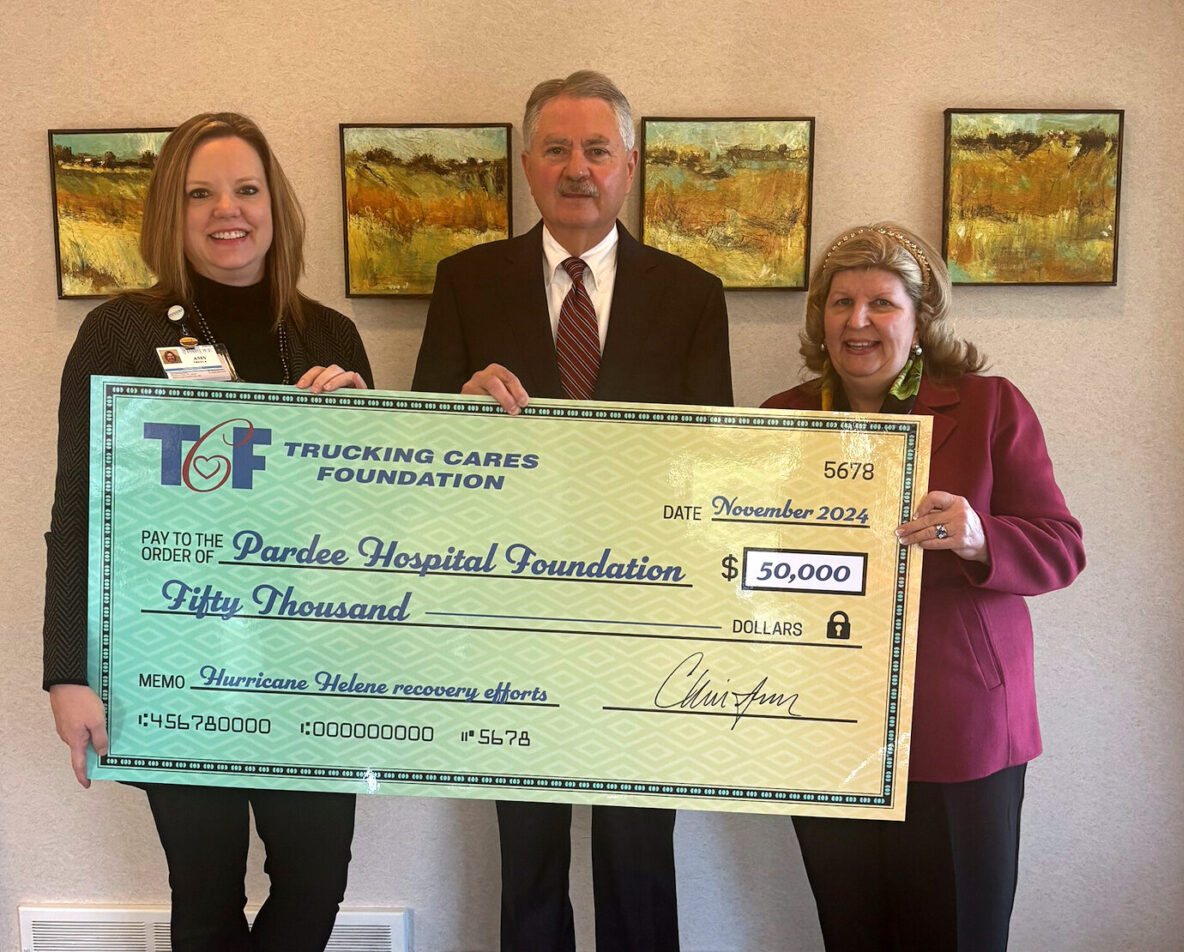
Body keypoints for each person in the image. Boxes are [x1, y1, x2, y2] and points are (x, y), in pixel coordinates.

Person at [412, 71, 732, 952]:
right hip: (515, 615)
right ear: (526, 165)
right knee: (530, 859)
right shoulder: (467, 282)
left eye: (598, 149)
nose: (578, 168)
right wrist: (459, 403)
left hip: (644, 621)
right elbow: (420, 458)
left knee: (639, 857)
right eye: (557, 149)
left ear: (631, 166)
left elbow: (709, 469)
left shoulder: (693, 293)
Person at [44, 112, 373, 952]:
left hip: (308, 667)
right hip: (176, 660)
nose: (227, 209)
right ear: (172, 212)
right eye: (201, 193)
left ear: (275, 205)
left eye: (246, 188)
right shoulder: (121, 331)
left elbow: (362, 520)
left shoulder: (331, 335)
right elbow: (80, 508)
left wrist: (360, 429)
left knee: (317, 881)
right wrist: (68, 673)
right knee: (203, 893)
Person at [762, 223, 1085, 952]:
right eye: (840, 302)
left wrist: (979, 536)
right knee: (852, 933)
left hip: (960, 730)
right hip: (824, 726)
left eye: (881, 303)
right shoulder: (779, 420)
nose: (857, 321)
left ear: (921, 319)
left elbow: (1063, 548)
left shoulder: (990, 405)